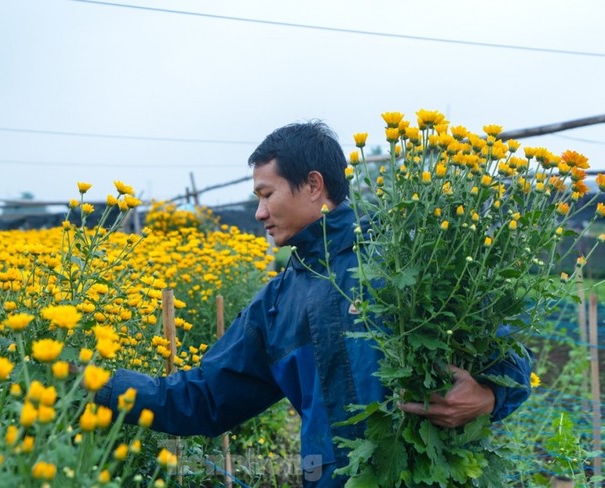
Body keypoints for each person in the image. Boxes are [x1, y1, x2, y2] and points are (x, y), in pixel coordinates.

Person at [95, 121, 532, 486]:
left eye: (267, 195)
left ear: (313, 186)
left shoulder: (411, 260)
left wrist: (489, 397)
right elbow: (204, 398)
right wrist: (94, 384)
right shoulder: (277, 303)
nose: (260, 213)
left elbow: (510, 359)